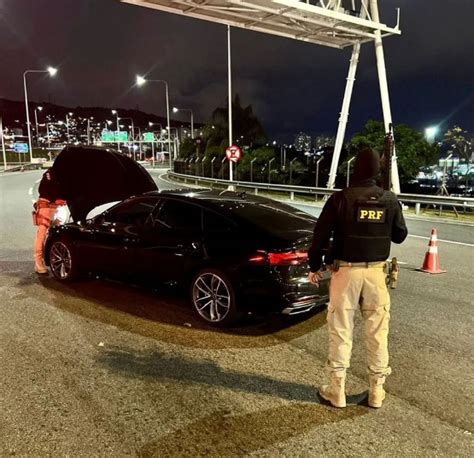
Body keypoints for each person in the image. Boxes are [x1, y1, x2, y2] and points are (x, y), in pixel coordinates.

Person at [308, 147, 408, 408]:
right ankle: (376, 391)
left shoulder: (342, 198)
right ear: (378, 170)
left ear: (356, 169)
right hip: (377, 274)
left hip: (345, 273)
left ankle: (337, 390)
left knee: (341, 330)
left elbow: (319, 236)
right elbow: (400, 235)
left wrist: (314, 265)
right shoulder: (390, 199)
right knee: (377, 333)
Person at [33, 169, 66, 274]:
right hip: (46, 206)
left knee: (58, 232)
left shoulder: (65, 174)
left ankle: (55, 256)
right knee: (41, 235)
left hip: (58, 208)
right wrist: (55, 199)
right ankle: (38, 263)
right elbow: (42, 189)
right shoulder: (50, 173)